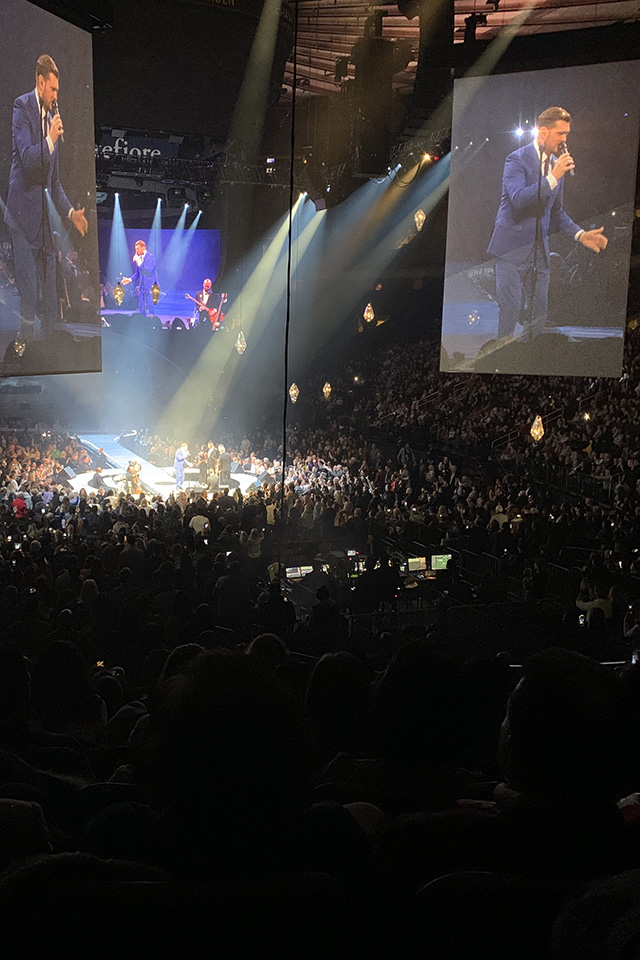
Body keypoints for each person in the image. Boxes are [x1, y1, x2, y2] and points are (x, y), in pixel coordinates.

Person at [487, 106, 608, 343]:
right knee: (510, 310)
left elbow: (557, 212)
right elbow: (519, 199)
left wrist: (580, 235)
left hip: (539, 250)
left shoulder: (555, 167)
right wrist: (553, 176)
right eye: (560, 134)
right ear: (543, 132)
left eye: (567, 134)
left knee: (538, 316)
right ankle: (501, 364)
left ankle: (527, 364)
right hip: (511, 248)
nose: (565, 140)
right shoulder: (516, 160)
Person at [5, 55, 88, 340]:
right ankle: (23, 348)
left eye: (58, 90)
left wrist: (70, 214)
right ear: (41, 83)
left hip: (43, 220)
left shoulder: (52, 119)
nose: (56, 96)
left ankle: (52, 347)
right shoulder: (22, 107)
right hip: (21, 217)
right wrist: (50, 139)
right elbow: (28, 160)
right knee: (28, 292)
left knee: (51, 291)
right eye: (53, 89)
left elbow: (54, 182)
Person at [122, 240, 158, 317]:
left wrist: (138, 261)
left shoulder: (151, 257)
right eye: (136, 249)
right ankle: (143, 320)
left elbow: (148, 270)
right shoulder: (139, 259)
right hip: (142, 286)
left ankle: (152, 319)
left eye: (138, 248)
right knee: (141, 305)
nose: (136, 250)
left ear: (143, 247)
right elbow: (137, 273)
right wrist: (129, 279)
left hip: (150, 285)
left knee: (150, 304)